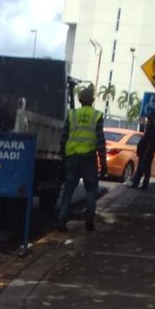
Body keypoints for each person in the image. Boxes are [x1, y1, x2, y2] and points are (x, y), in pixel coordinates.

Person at [56, 85, 106, 232]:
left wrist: (64, 155)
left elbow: (64, 137)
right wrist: (103, 161)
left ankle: (61, 219)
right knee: (91, 189)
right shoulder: (97, 115)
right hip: (89, 157)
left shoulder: (72, 115)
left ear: (79, 100)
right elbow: (100, 140)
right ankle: (89, 219)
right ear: (92, 100)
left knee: (68, 189)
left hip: (72, 156)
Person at [131, 108, 155, 189]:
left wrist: (146, 152)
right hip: (145, 150)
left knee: (144, 168)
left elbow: (150, 142)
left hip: (147, 151)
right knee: (142, 168)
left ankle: (141, 184)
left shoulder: (152, 127)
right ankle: (138, 183)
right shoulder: (150, 126)